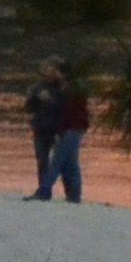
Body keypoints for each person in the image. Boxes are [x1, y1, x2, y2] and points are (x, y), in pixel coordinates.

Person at [27, 62, 91, 204]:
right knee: (70, 163)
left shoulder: (68, 90)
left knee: (57, 163)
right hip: (70, 129)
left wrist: (49, 102)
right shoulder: (73, 88)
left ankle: (44, 191)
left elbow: (65, 112)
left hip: (68, 129)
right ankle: (74, 195)